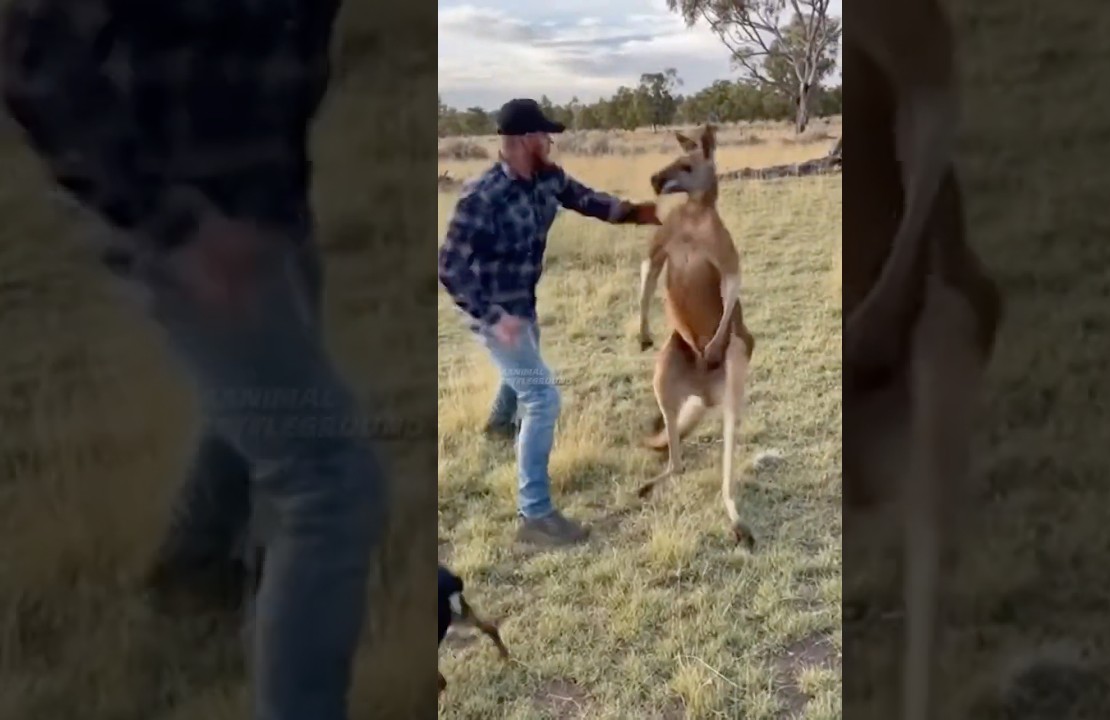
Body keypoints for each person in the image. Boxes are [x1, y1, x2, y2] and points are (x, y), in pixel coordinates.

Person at [1, 2, 386, 719]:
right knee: (330, 484)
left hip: (262, 211)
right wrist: (174, 227)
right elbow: (31, 52)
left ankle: (193, 566)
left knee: (265, 405)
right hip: (188, 228)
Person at [438, 98, 661, 548]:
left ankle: (499, 425)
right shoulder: (482, 197)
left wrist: (639, 213)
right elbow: (449, 265)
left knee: (523, 375)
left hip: (523, 307)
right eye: (544, 135)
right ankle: (535, 516)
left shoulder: (547, 179)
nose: (551, 142)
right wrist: (493, 318)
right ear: (523, 141)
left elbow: (587, 200)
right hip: (497, 318)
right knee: (540, 395)